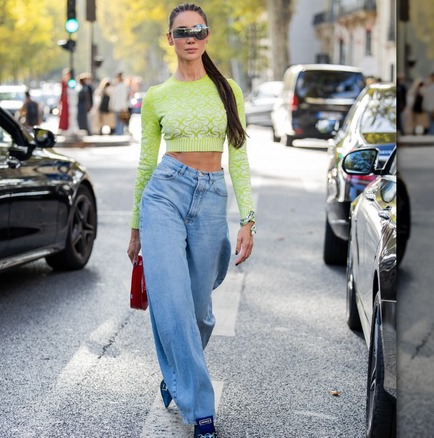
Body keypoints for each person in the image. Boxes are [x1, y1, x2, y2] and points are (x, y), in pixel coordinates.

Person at [125, 4, 254, 437]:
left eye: (198, 30)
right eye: (182, 32)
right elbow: (146, 165)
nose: (190, 37)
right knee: (173, 303)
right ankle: (201, 411)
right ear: (170, 39)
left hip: (212, 197)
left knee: (201, 313)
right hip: (164, 195)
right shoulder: (157, 96)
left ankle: (175, 377)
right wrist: (135, 228)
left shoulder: (227, 90)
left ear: (207, 35)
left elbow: (239, 157)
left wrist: (248, 219)